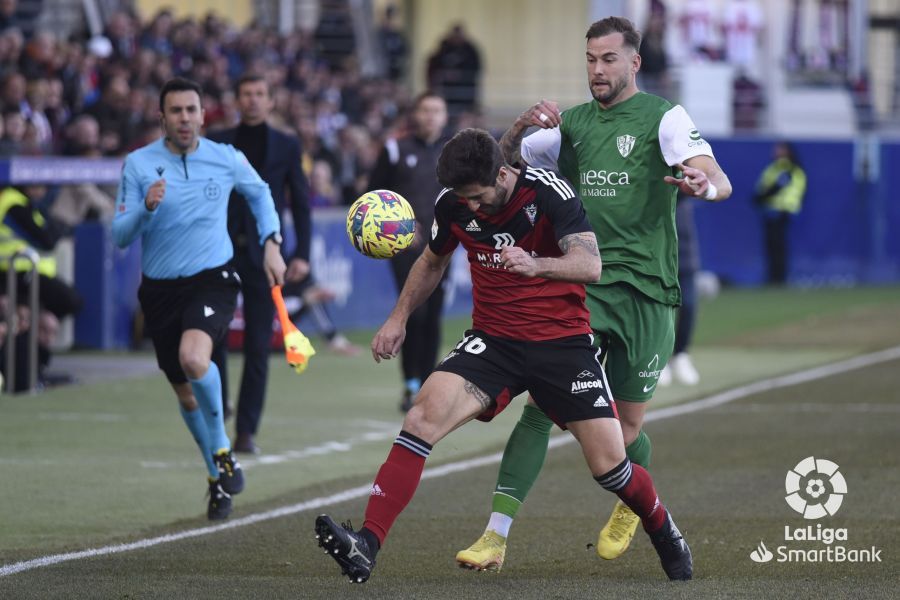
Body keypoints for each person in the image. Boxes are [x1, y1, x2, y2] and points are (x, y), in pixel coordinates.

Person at [313, 128, 693, 583]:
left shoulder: (550, 193)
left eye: (477, 196)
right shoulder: (452, 203)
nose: (470, 206)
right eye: (463, 198)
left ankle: (662, 528)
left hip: (562, 344)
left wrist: (537, 264)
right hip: (493, 342)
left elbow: (590, 265)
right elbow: (432, 261)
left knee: (609, 467)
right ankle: (367, 543)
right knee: (420, 419)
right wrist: (398, 318)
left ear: (503, 173)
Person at [457, 16, 731, 570]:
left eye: (608, 59)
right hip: (586, 283)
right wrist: (515, 128)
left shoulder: (663, 117)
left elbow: (713, 173)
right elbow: (502, 168)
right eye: (589, 59)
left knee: (625, 429)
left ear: (633, 62)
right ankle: (495, 534)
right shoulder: (571, 127)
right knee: (541, 404)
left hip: (650, 291)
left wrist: (705, 184)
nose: (597, 70)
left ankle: (632, 500)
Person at [112, 77, 286, 520]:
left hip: (213, 277)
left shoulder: (225, 158)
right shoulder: (138, 165)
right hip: (160, 290)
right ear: (162, 117)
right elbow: (119, 235)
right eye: (176, 111)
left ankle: (224, 451)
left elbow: (260, 192)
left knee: (195, 359)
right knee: (185, 394)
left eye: (192, 110)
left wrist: (271, 240)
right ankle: (216, 473)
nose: (185, 118)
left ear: (204, 115)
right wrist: (145, 209)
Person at [207, 73, 311, 455]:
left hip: (263, 254)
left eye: (259, 94)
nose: (252, 100)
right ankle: (218, 410)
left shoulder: (285, 144)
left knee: (256, 344)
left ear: (270, 102)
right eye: (246, 93)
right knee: (213, 335)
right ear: (236, 100)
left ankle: (247, 429)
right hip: (217, 251)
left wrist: (301, 255)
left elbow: (299, 201)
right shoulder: (217, 142)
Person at [367, 91, 450, 411]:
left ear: (444, 116)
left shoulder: (452, 150)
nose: (431, 116)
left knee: (434, 316)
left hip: (445, 245)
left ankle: (427, 382)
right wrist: (402, 225)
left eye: (437, 110)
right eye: (425, 109)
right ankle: (410, 383)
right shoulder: (394, 149)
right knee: (414, 312)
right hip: (406, 247)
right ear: (415, 114)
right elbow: (372, 195)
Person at [658, 195, 700, 386]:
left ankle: (681, 354)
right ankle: (659, 360)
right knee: (660, 309)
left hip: (685, 252)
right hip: (658, 256)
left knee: (689, 305)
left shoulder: (682, 169)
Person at [754, 142, 806, 285]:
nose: (776, 151)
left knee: (778, 246)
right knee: (771, 246)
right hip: (771, 211)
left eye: (780, 149)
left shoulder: (788, 169)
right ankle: (773, 277)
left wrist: (760, 198)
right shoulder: (775, 167)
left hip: (782, 211)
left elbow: (777, 187)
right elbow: (764, 185)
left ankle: (779, 278)